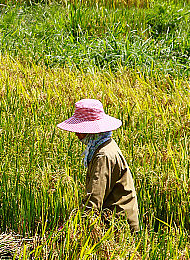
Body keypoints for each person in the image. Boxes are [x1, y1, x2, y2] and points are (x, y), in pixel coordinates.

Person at [57, 98, 140, 233]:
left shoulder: (103, 156)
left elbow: (94, 200)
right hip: (112, 222)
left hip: (118, 227)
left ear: (93, 131)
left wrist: (69, 230)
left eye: (81, 129)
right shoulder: (101, 147)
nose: (76, 134)